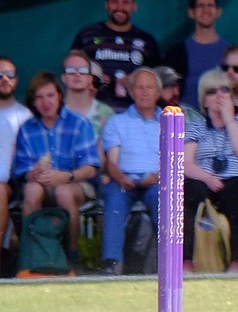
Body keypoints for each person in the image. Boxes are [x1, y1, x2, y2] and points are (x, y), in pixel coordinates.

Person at [181, 67, 238, 272]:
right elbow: (185, 163)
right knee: (190, 191)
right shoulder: (195, 126)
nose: (219, 95)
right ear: (204, 99)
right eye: (212, 91)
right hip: (204, 179)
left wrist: (229, 119)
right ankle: (186, 261)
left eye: (225, 90)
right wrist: (208, 178)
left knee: (232, 192)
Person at [15, 71, 99, 269]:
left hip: (75, 182)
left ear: (59, 96)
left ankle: (72, 253)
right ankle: (32, 253)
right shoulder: (27, 128)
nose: (46, 102)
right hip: (41, 185)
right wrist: (32, 173)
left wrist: (66, 176)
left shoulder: (79, 123)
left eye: (50, 95)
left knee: (63, 190)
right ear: (33, 101)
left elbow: (90, 168)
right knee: (31, 189)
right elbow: (22, 170)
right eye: (39, 97)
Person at [98, 66, 164, 275]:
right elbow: (112, 163)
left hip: (157, 180)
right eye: (139, 87)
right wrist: (122, 177)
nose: (144, 92)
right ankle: (112, 263)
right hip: (124, 180)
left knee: (164, 198)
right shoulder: (117, 122)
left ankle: (166, 260)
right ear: (131, 91)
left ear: (158, 92)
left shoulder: (170, 121)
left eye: (149, 88)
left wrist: (158, 177)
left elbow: (174, 160)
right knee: (115, 201)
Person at [71, 0, 161, 110]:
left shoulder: (147, 41)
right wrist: (93, 77)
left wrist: (136, 79)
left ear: (134, 6)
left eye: (125, 3)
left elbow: (156, 79)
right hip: (93, 109)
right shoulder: (87, 35)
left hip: (134, 112)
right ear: (107, 5)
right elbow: (71, 68)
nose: (120, 7)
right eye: (115, 2)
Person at [166, 0, 231, 109]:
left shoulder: (231, 52)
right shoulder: (176, 52)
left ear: (219, 11)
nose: (205, 10)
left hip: (222, 119)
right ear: (191, 12)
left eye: (210, 5)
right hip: (185, 119)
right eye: (200, 5)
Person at [0, 56, 32, 262]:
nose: (4, 78)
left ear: (16, 80)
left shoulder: (25, 116)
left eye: (9, 74)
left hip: (13, 183)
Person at [61, 48, 114, 138]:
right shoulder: (52, 110)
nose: (77, 74)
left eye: (83, 71)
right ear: (63, 78)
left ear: (90, 78)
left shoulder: (107, 114)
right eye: (71, 70)